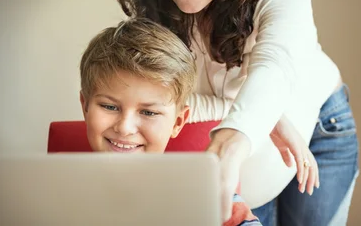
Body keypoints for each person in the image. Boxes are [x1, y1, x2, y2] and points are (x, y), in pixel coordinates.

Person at [112, 0, 360, 225]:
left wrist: (234, 138)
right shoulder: (154, 1)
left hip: (318, 127)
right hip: (238, 133)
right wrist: (269, 119)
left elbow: (274, 63)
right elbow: (165, 100)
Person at [78, 18, 261, 226]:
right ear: (85, 106)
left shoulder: (212, 199)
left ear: (178, 122)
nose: (125, 128)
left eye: (148, 112)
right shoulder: (57, 192)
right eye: (110, 107)